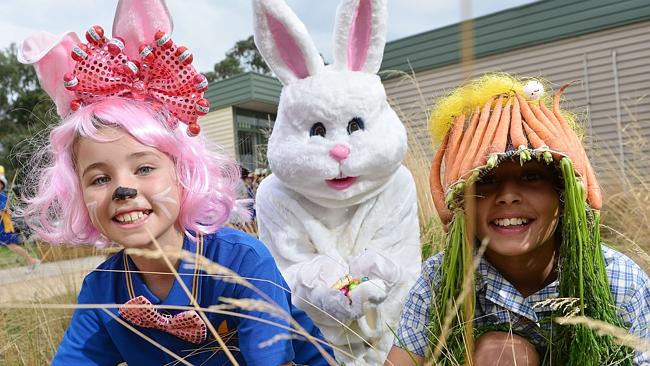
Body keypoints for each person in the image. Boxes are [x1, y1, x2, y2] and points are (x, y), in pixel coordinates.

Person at [18, 1, 334, 365]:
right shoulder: (103, 290)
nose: (123, 190)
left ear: (183, 173)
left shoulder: (242, 261)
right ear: (78, 194)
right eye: (100, 178)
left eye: (144, 169)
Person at [385, 74, 650, 365]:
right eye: (485, 180)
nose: (508, 196)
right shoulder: (438, 280)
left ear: (563, 195)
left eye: (532, 176)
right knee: (502, 353)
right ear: (460, 202)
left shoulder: (619, 280)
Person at [0, 166, 40, 272]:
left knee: (12, 246)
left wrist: (3, 212)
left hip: (4, 227)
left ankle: (32, 261)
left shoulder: (3, 197)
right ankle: (31, 261)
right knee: (12, 246)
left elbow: (7, 211)